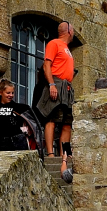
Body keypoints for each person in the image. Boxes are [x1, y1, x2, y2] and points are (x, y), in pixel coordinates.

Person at [44, 22, 79, 183]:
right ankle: (51, 153)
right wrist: (51, 84)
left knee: (66, 124)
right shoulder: (54, 43)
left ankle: (63, 154)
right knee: (52, 119)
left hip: (67, 87)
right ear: (69, 31)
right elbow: (47, 65)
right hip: (57, 83)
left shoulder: (67, 49)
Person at [0, 79, 41, 153]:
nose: (11, 95)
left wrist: (26, 130)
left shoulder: (18, 107)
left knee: (24, 162)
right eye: (8, 93)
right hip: (3, 140)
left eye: (12, 93)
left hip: (18, 138)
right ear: (0, 93)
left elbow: (32, 119)